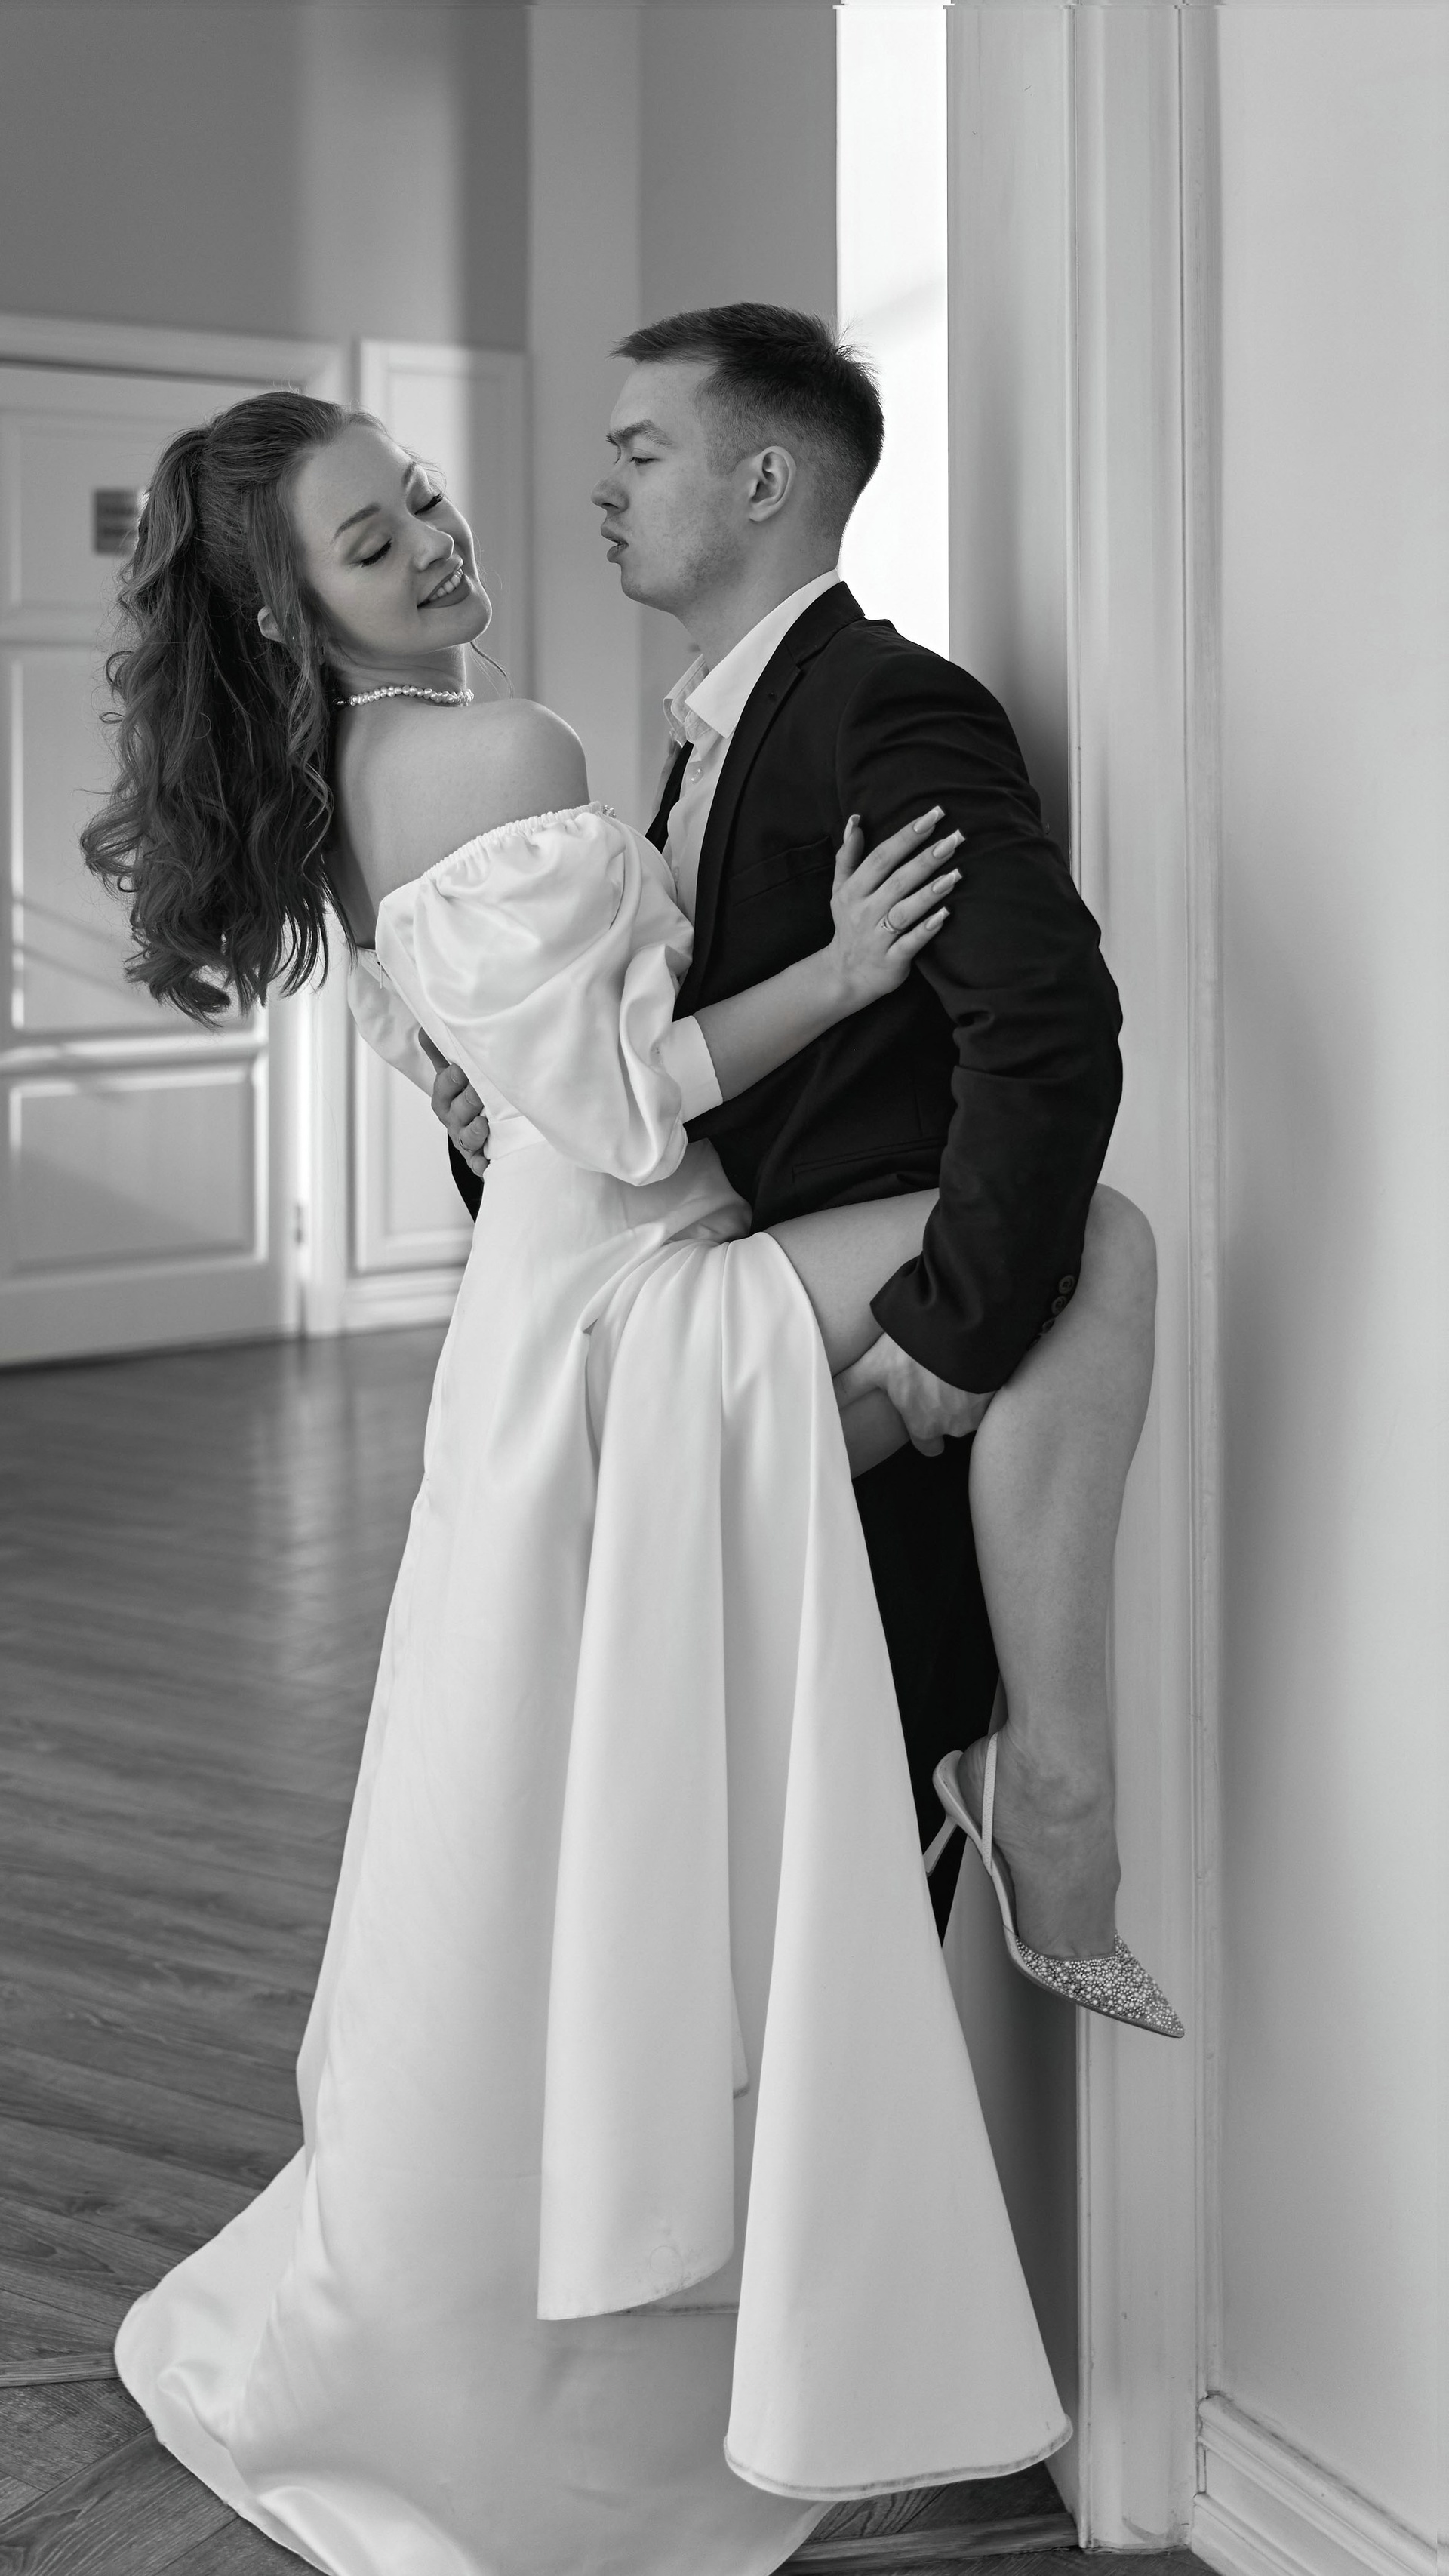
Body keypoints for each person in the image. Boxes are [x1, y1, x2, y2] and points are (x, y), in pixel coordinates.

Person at [79, 386, 1165, 2576]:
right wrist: (844, 972)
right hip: (636, 1304)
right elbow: (619, 1112)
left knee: (558, 1823)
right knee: (1100, 1242)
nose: (442, 541)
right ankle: (1047, 1771)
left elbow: (501, 1115)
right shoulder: (505, 751)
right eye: (375, 545)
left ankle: (954, 1631)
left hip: (542, 1335)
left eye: (421, 499)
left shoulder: (352, 792)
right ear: (289, 617)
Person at [432, 303, 1159, 1971]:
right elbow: (650, 1088)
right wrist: (492, 1131)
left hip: (866, 1382)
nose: (602, 487)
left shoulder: (888, 706)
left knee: (853, 1934)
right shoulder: (698, 741)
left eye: (640, 452)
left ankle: (1043, 1819)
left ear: (764, 480)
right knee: (729, 1915)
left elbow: (1046, 1031)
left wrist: (951, 1343)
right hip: (708, 1365)